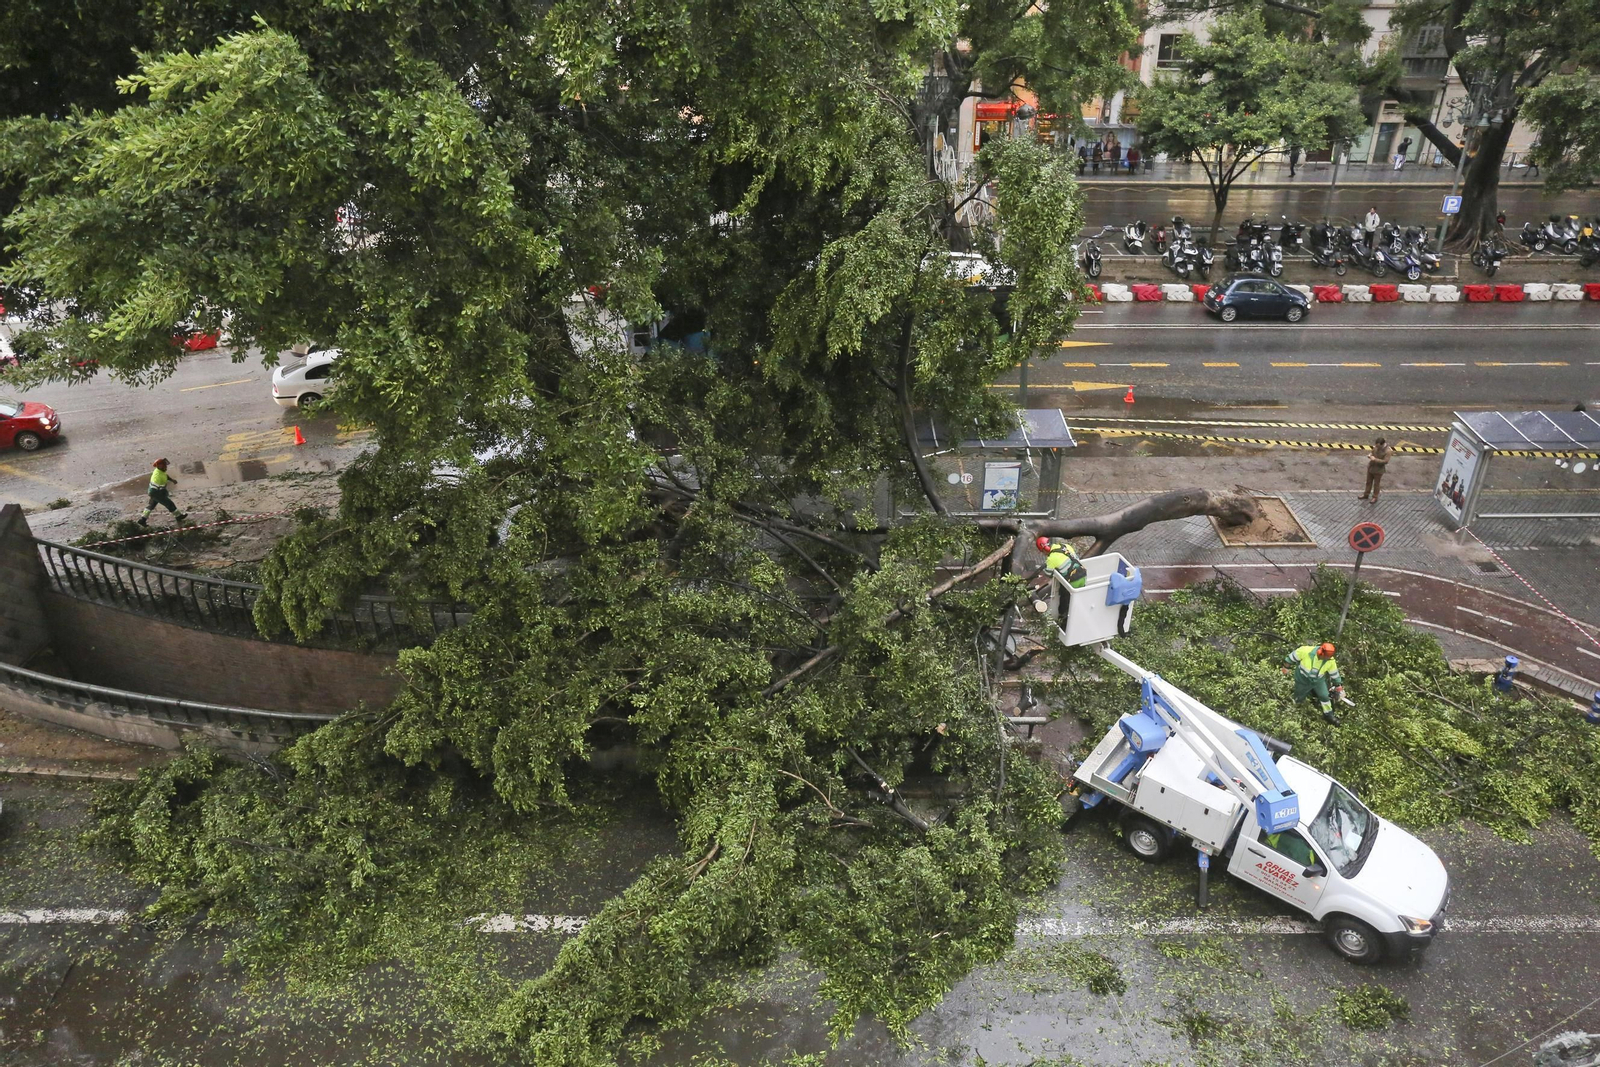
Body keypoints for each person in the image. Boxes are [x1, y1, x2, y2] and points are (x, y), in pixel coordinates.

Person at [1284, 642, 1347, 724]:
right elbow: (1290, 658)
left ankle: (1328, 715)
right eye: (1324, 657)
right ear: (1321, 652)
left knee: (1325, 696)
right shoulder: (1305, 651)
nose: (1325, 659)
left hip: (1318, 681)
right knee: (1298, 697)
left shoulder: (1330, 661)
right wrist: (1285, 667)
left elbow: (1334, 674)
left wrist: (1338, 686)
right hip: (1302, 679)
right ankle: (1294, 712)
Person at [139, 458, 187, 527]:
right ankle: (178, 516)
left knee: (151, 506)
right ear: (160, 466)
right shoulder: (158, 477)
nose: (166, 467)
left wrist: (172, 480)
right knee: (169, 503)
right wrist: (164, 494)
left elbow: (165, 476)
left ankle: (142, 520)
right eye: (164, 465)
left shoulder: (159, 471)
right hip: (156, 492)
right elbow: (161, 488)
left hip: (152, 491)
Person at [1359, 437, 1391, 502]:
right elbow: (1373, 452)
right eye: (1376, 445)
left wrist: (1375, 459)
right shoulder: (1376, 447)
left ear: (1382, 444)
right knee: (1368, 482)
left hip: (1379, 470)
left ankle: (1375, 497)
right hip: (1371, 467)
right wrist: (1370, 454)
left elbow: (1385, 461)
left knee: (1376, 484)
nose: (1377, 447)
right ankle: (1366, 494)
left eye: (1378, 446)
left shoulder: (1388, 451)